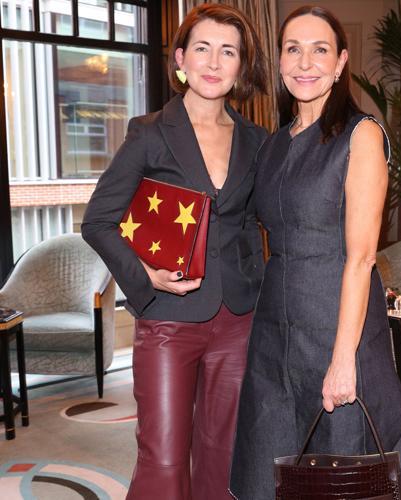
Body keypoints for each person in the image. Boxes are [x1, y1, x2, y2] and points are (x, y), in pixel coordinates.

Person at [230, 5, 401, 499]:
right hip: (275, 333)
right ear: (279, 61)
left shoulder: (361, 134)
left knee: (345, 471)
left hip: (338, 328)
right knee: (272, 462)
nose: (305, 62)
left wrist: (342, 359)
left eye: (320, 50)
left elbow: (361, 258)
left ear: (340, 63)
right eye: (293, 49)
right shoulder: (273, 145)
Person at [81, 4, 267, 499]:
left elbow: (256, 223)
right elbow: (97, 221)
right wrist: (146, 276)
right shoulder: (149, 132)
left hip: (238, 321)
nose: (214, 62)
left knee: (224, 454)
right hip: (168, 318)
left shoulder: (256, 140)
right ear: (181, 59)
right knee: (163, 458)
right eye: (202, 48)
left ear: (241, 65)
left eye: (228, 51)